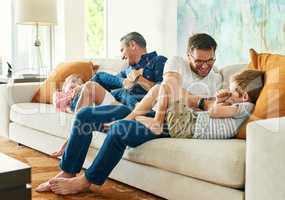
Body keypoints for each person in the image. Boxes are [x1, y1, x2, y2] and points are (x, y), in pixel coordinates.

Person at [34, 33, 223, 195]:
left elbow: (207, 111)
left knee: (120, 128)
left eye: (210, 60)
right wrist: (202, 102)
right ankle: (68, 171)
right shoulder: (176, 63)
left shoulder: (216, 79)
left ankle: (86, 181)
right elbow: (170, 86)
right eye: (199, 60)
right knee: (84, 115)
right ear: (188, 55)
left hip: (167, 122)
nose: (205, 66)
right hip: (143, 107)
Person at [134, 69, 264, 139]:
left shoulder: (244, 107)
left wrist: (221, 101)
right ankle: (138, 117)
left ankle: (156, 123)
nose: (229, 93)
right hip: (189, 124)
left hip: (190, 125)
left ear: (245, 96)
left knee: (166, 86)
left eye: (232, 91)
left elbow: (214, 112)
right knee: (159, 95)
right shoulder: (242, 107)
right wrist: (221, 101)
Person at [92, 32, 167, 109]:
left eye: (122, 50)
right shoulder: (129, 69)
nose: (121, 57)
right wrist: (126, 81)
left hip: (138, 103)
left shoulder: (158, 60)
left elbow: (162, 91)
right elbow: (111, 80)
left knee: (121, 92)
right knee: (98, 77)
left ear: (132, 45)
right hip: (120, 99)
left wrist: (138, 79)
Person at [52, 74, 117, 157]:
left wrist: (80, 90)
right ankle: (68, 166)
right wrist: (69, 96)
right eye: (73, 81)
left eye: (79, 83)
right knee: (84, 125)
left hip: (109, 107)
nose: (75, 84)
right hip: (102, 118)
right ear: (64, 86)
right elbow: (58, 104)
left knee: (89, 87)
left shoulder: (86, 91)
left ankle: (67, 145)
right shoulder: (59, 94)